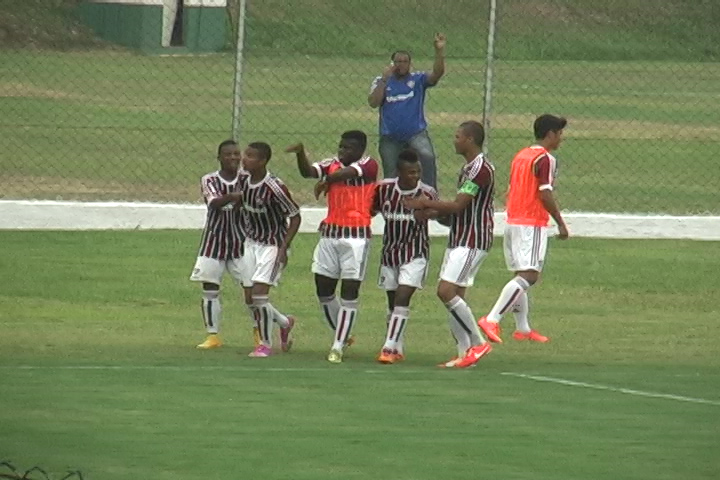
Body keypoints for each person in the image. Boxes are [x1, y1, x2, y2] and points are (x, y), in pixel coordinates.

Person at [403, 121, 494, 368]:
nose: (454, 140)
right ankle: (465, 355)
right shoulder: (468, 169)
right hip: (460, 237)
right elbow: (457, 210)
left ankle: (478, 343)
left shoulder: (480, 170)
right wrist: (432, 213)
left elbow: (458, 205)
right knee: (456, 298)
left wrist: (425, 204)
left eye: (458, 136)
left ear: (470, 140)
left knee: (445, 292)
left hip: (473, 239)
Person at [285, 131, 378, 364]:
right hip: (330, 235)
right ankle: (343, 334)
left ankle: (337, 346)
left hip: (355, 238)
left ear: (360, 150)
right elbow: (308, 172)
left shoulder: (368, 165)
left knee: (349, 292)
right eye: (341, 147)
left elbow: (347, 174)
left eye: (348, 149)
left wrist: (327, 180)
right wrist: (301, 154)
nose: (342, 152)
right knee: (323, 289)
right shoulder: (332, 164)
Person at [477, 115, 569, 344]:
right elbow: (544, 192)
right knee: (530, 275)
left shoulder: (522, 155)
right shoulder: (545, 159)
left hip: (514, 219)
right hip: (531, 222)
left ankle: (523, 328)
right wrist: (560, 222)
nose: (561, 139)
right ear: (550, 134)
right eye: (559, 133)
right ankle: (492, 318)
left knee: (520, 274)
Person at [373, 149, 438, 364]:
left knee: (402, 297)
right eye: (410, 173)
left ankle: (388, 347)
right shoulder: (384, 190)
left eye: (418, 172)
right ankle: (398, 345)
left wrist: (429, 212)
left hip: (415, 254)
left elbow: (438, 214)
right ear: (399, 172)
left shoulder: (427, 193)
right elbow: (370, 210)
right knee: (392, 303)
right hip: (390, 253)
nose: (416, 177)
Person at [238, 142, 301, 358]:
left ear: (263, 161)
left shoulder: (275, 187)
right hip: (250, 244)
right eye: (245, 155)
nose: (244, 159)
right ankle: (284, 322)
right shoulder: (243, 181)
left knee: (259, 296)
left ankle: (264, 344)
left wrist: (284, 247)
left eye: (250, 156)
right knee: (249, 299)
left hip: (273, 246)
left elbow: (295, 216)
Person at [190, 139, 250, 349]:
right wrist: (237, 197)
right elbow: (214, 203)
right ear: (219, 158)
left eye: (236, 154)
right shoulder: (210, 179)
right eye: (228, 154)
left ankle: (265, 330)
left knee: (253, 290)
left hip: (242, 243)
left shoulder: (248, 178)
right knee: (209, 288)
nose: (233, 158)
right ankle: (213, 335)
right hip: (214, 241)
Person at [368, 33, 446, 189]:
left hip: (415, 133)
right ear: (392, 64)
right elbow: (373, 102)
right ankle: (393, 201)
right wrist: (384, 80)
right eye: (397, 61)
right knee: (391, 173)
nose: (401, 65)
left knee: (427, 157)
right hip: (390, 136)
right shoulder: (381, 81)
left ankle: (430, 195)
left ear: (410, 64)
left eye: (405, 62)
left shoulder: (417, 79)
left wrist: (439, 52)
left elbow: (437, 74)